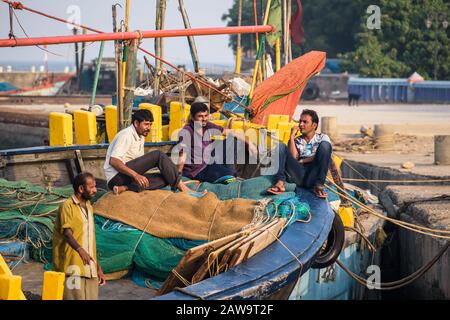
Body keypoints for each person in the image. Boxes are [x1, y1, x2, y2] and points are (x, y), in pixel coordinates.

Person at [104, 109, 195, 194]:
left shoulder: (141, 136)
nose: (149, 128)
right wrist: (136, 175)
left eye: (150, 124)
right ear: (136, 123)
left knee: (166, 176)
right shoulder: (126, 135)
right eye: (146, 124)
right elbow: (114, 161)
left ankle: (125, 188)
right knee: (158, 155)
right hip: (116, 178)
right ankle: (183, 188)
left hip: (126, 178)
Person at [52, 172, 106, 300]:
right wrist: (80, 250)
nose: (95, 190)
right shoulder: (67, 206)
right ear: (81, 189)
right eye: (91, 187)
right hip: (73, 267)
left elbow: (90, 240)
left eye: (95, 186)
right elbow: (67, 232)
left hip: (90, 267)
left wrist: (98, 267)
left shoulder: (89, 207)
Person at [176, 100, 257, 183]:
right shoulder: (187, 131)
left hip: (208, 162)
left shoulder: (207, 126)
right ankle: (230, 175)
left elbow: (230, 132)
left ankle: (230, 173)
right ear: (192, 117)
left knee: (232, 140)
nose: (204, 119)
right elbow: (182, 155)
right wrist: (178, 175)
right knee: (230, 176)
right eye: (200, 116)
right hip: (196, 170)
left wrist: (249, 143)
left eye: (206, 116)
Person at [267, 109, 332, 198]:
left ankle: (319, 186)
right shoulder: (297, 140)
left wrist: (302, 160)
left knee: (325, 146)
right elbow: (294, 157)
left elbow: (323, 155)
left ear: (314, 125)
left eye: (305, 122)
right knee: (280, 146)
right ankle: (280, 183)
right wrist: (292, 137)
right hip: (298, 174)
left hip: (313, 175)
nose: (301, 125)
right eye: (300, 122)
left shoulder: (323, 138)